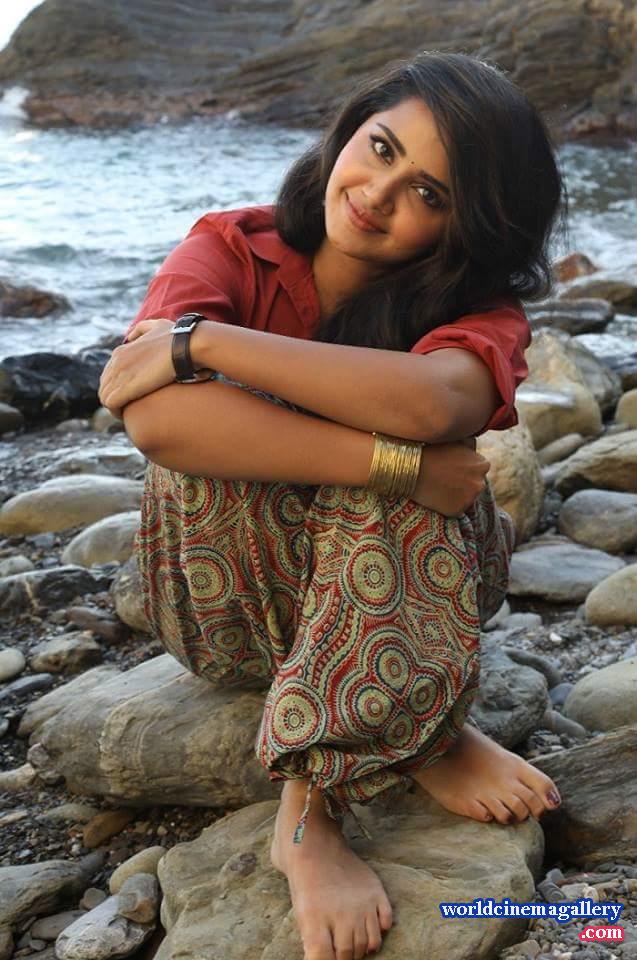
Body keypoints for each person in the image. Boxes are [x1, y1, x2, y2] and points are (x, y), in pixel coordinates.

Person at [99, 51, 565, 960]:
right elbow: (156, 423)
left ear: (469, 225)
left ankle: (319, 798)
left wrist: (203, 344)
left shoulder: (481, 310)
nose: (377, 195)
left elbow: (433, 403)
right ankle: (409, 744)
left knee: (410, 441)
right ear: (348, 129)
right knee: (391, 461)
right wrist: (395, 466)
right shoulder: (230, 247)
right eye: (380, 148)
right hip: (232, 608)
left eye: (428, 193)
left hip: (422, 598)